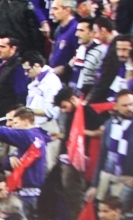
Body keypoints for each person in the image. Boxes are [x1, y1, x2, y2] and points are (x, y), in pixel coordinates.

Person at [86, 90, 133, 218]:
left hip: (129, 179)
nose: (129, 108)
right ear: (116, 106)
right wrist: (94, 184)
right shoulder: (109, 125)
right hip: (109, 177)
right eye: (125, 105)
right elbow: (102, 156)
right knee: (104, 213)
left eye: (132, 104)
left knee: (119, 213)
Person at [0, 108, 51, 218]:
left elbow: (4, 133)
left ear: (26, 121)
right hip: (35, 193)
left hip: (25, 194)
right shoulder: (39, 135)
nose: (13, 126)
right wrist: (12, 157)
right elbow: (7, 163)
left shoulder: (27, 136)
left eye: (16, 122)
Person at [53, 86, 105, 220]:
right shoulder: (72, 114)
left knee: (75, 195)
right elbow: (69, 135)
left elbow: (102, 131)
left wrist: (81, 132)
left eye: (64, 106)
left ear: (72, 99)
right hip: (67, 157)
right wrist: (59, 135)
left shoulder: (87, 111)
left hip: (77, 159)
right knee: (70, 195)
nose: (63, 110)